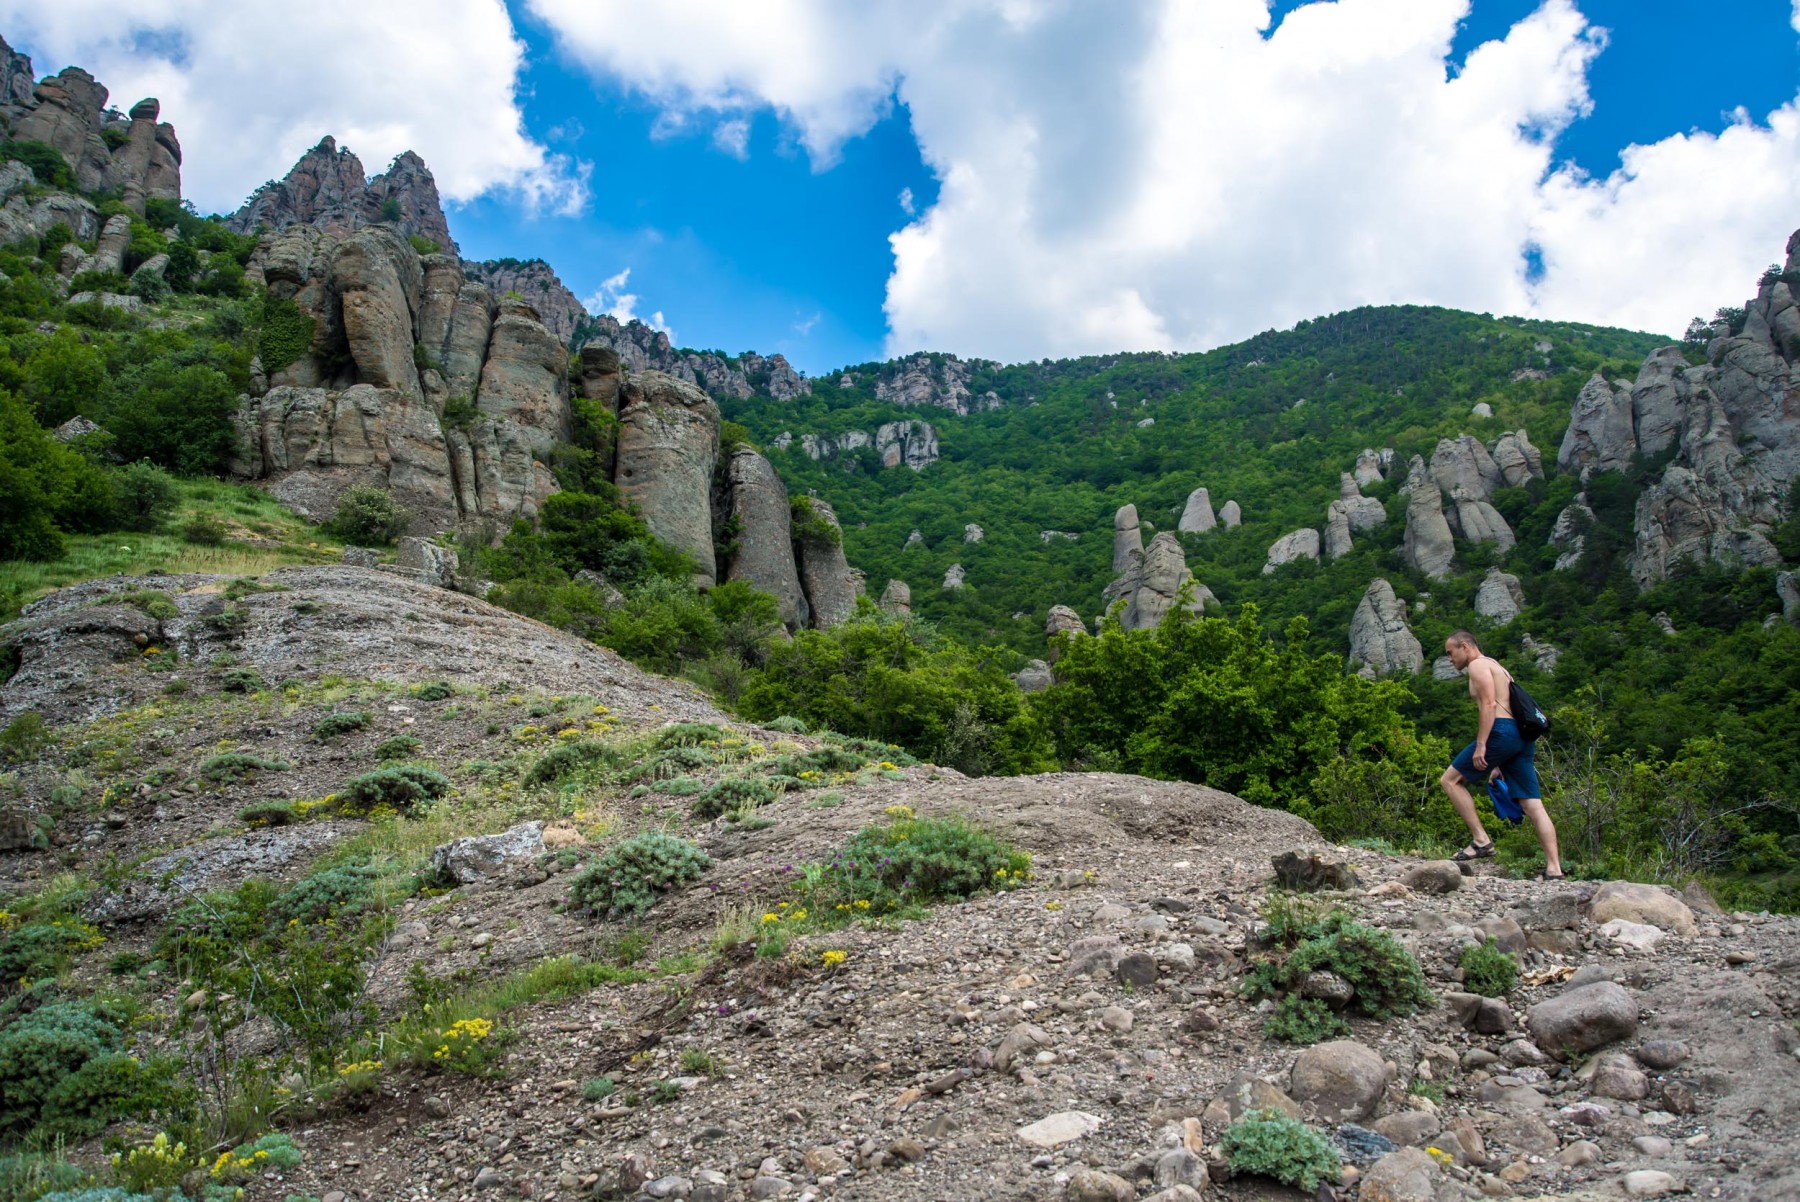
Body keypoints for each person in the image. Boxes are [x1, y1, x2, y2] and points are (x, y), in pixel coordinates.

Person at [1438, 630, 1564, 880]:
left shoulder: (1477, 666)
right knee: (1532, 804)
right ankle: (1554, 869)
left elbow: (1489, 705)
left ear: (1465, 646)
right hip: (1522, 737)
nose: (1450, 659)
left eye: (1450, 653)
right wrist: (1498, 762)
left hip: (1502, 732)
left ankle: (1481, 840)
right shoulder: (1497, 666)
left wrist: (1482, 745)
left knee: (1450, 781)